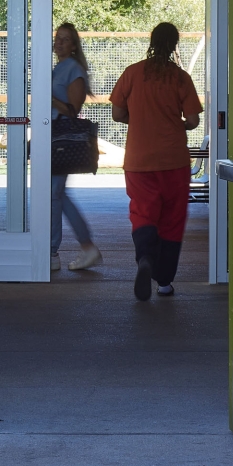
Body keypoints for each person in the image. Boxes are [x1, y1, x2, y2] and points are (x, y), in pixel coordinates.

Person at [109, 22, 203, 301]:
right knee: (172, 219)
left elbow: (116, 114)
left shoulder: (132, 73)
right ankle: (164, 281)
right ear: (174, 45)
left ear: (151, 41)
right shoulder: (181, 78)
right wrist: (179, 124)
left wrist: (136, 119)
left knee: (143, 213)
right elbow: (194, 120)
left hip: (139, 160)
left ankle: (145, 258)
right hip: (174, 160)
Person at [50, 23, 100, 271]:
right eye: (57, 38)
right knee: (57, 194)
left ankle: (51, 252)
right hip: (49, 137)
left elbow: (73, 110)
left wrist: (47, 98)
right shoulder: (58, 67)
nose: (58, 42)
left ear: (73, 45)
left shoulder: (74, 70)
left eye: (65, 39)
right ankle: (87, 247)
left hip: (60, 140)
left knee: (53, 194)